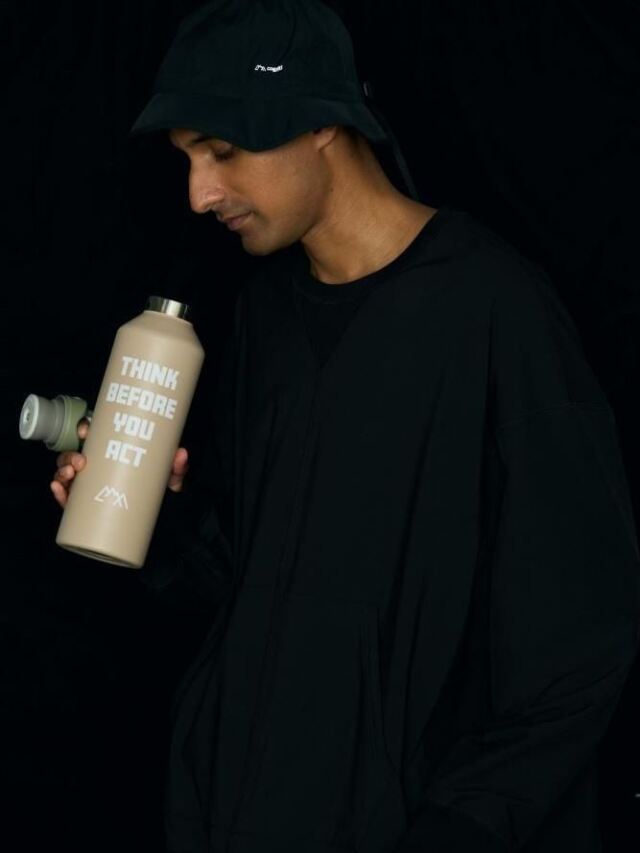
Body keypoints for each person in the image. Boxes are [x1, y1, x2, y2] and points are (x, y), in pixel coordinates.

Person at [51, 2, 640, 851]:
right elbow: (258, 585)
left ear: (322, 120)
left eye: (221, 150)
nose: (198, 194)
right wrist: (153, 516)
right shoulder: (265, 318)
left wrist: (464, 825)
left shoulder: (494, 313)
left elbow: (581, 637)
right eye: (187, 159)